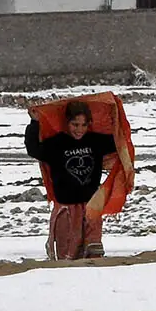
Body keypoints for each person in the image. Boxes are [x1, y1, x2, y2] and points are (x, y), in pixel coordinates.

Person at [25, 100, 126, 260]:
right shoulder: (57, 143)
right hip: (66, 209)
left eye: (84, 125)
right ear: (67, 122)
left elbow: (120, 140)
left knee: (93, 255)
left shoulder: (95, 142)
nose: (79, 129)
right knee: (68, 257)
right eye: (75, 124)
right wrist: (34, 122)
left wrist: (115, 115)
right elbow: (34, 149)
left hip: (91, 207)